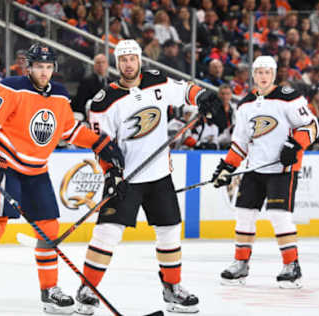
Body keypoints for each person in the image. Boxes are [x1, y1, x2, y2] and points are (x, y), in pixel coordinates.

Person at [0, 43, 125, 316]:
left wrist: (99, 143)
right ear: (29, 66)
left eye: (48, 67)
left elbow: (70, 131)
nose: (44, 72)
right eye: (39, 67)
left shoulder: (59, 95)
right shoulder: (11, 87)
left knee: (49, 227)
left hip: (37, 171)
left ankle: (50, 291)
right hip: (7, 165)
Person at [75, 39, 223, 315]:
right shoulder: (103, 101)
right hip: (126, 178)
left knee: (169, 232)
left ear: (140, 60)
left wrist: (201, 96)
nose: (128, 64)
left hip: (159, 175)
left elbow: (186, 91)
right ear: (116, 63)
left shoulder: (158, 81)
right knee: (107, 233)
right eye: (123, 59)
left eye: (132, 58)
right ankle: (87, 287)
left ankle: (172, 288)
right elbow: (98, 143)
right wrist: (111, 173)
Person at [211, 56, 319, 289]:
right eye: (259, 72)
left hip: (282, 168)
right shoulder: (245, 105)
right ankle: (240, 264)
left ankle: (292, 266)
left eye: (267, 72)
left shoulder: (289, 97)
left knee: (279, 215)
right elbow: (240, 143)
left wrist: (295, 145)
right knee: (244, 213)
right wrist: (227, 167)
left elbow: (312, 126)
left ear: (274, 74)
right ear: (253, 75)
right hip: (254, 168)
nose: (263, 76)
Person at [72, 53, 109, 118]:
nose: (101, 65)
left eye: (103, 62)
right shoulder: (86, 82)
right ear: (94, 65)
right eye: (98, 63)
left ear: (107, 65)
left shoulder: (111, 82)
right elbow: (81, 102)